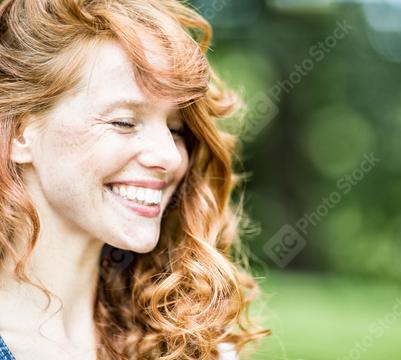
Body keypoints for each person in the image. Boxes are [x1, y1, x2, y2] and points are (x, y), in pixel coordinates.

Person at [0, 0, 269, 359]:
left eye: (175, 128)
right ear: (20, 133)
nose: (170, 156)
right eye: (124, 122)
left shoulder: (192, 345)